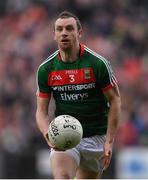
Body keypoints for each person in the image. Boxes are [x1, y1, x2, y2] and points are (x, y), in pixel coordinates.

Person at [36, 11, 121, 179]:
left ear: (79, 33)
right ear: (54, 35)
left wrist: (109, 141)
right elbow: (41, 111)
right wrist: (48, 134)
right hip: (64, 134)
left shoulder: (97, 64)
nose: (64, 33)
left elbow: (115, 101)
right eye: (59, 29)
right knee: (63, 177)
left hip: (96, 136)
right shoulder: (46, 69)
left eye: (69, 28)